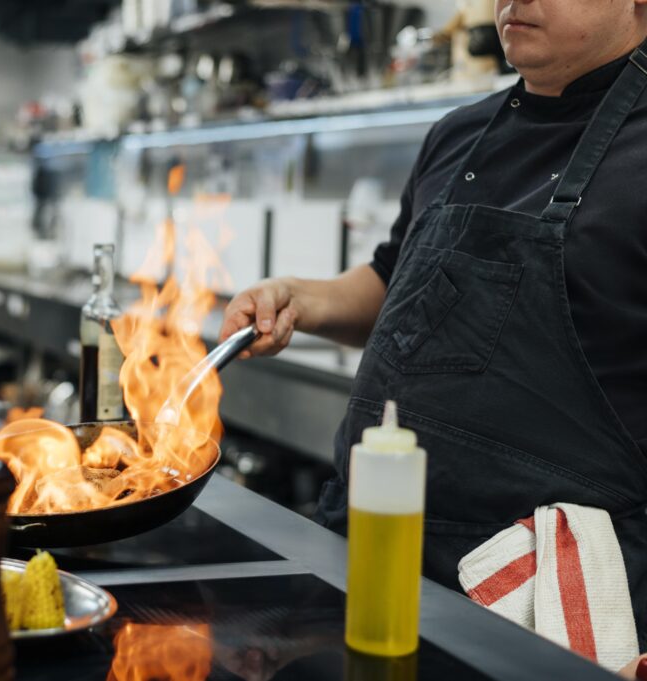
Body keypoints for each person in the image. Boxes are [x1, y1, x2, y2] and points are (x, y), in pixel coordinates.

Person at [220, 0, 647, 652]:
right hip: (365, 547)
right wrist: (300, 299)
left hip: (541, 603)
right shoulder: (459, 133)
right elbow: (397, 283)